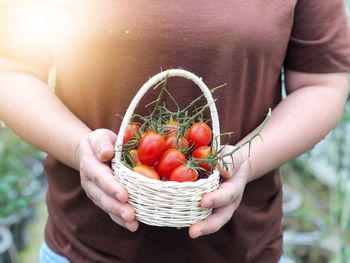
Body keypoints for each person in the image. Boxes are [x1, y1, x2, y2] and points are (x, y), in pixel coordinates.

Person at [1, 1, 350, 262]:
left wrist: (245, 160)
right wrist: (79, 148)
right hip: (83, 250)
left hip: (242, 250)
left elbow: (322, 83)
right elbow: (11, 69)